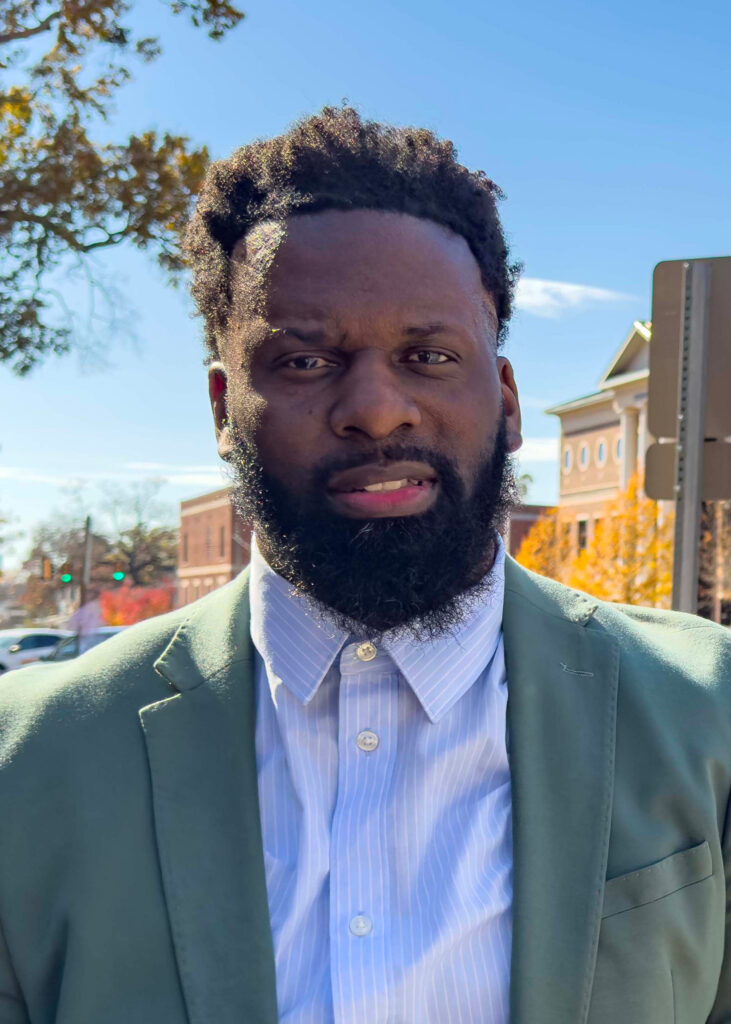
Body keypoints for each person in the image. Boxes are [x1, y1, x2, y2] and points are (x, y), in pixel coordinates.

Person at [0, 107, 729, 1024]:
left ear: (503, 399)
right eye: (305, 360)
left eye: (428, 356)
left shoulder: (707, 715)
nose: (378, 411)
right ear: (224, 409)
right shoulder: (29, 760)